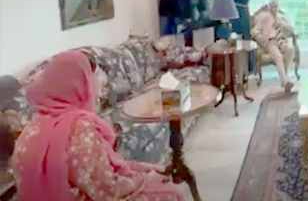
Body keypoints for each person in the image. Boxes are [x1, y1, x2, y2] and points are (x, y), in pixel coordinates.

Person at [11, 51, 185, 201]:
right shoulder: (79, 129)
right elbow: (109, 189)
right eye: (92, 77)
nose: (99, 82)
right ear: (78, 84)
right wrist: (146, 180)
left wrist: (144, 171)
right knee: (170, 193)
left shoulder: (34, 125)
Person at [251, 0, 295, 92]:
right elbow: (254, 31)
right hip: (271, 41)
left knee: (290, 49)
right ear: (269, 7)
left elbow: (292, 30)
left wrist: (282, 24)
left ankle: (285, 77)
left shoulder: (282, 17)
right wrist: (260, 37)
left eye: (275, 6)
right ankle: (284, 82)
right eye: (272, 6)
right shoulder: (264, 18)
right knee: (278, 56)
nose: (274, 8)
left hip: (282, 39)